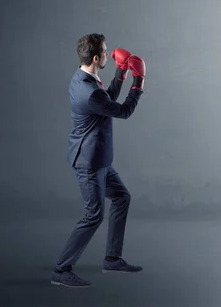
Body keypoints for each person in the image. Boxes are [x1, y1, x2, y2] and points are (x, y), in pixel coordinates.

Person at [50, 33, 146, 288]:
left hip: (99, 158)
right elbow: (123, 111)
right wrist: (139, 81)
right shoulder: (90, 92)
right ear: (95, 58)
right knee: (94, 215)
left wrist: (121, 73)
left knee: (122, 197)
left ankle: (112, 258)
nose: (108, 54)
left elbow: (106, 100)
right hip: (89, 163)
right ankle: (61, 270)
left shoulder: (83, 77)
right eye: (105, 52)